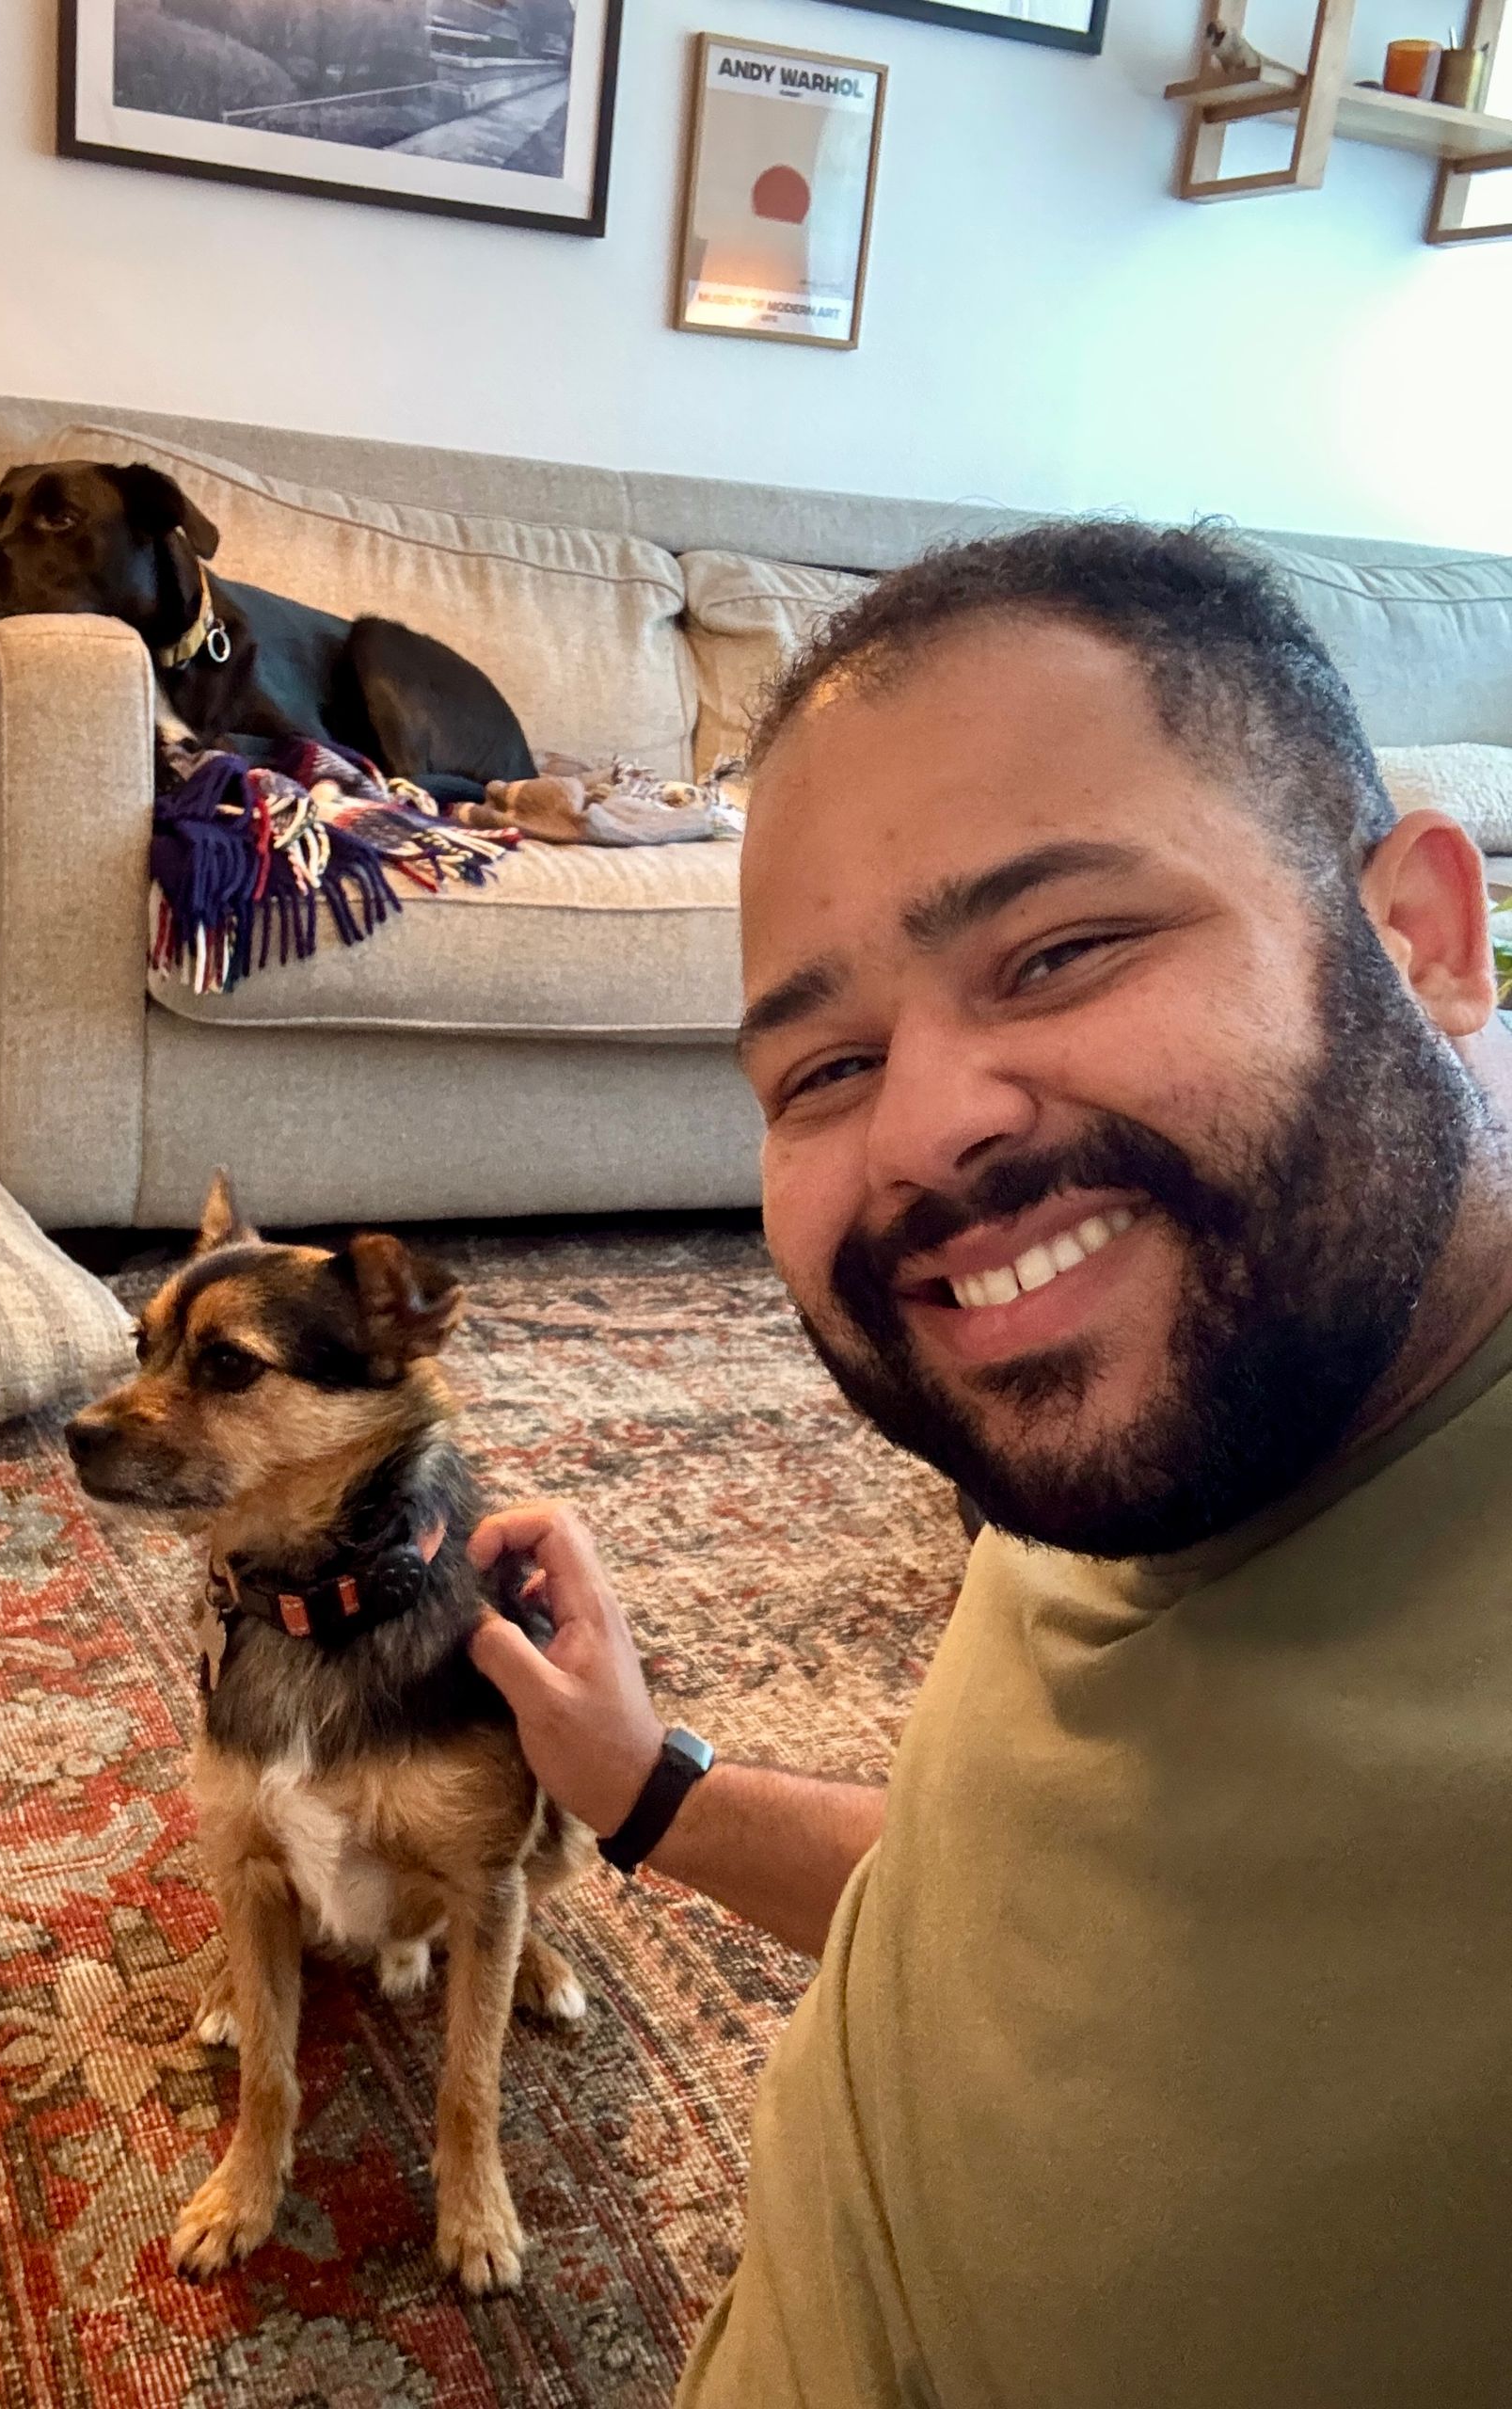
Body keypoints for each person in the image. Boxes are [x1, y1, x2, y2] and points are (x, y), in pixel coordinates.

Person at [465, 519, 1512, 2409]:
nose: (929, 1130)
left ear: (1424, 938)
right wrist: (648, 1788)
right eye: (823, 1070)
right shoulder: (1168, 1417)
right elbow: (1031, 1903)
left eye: (1066, 948)